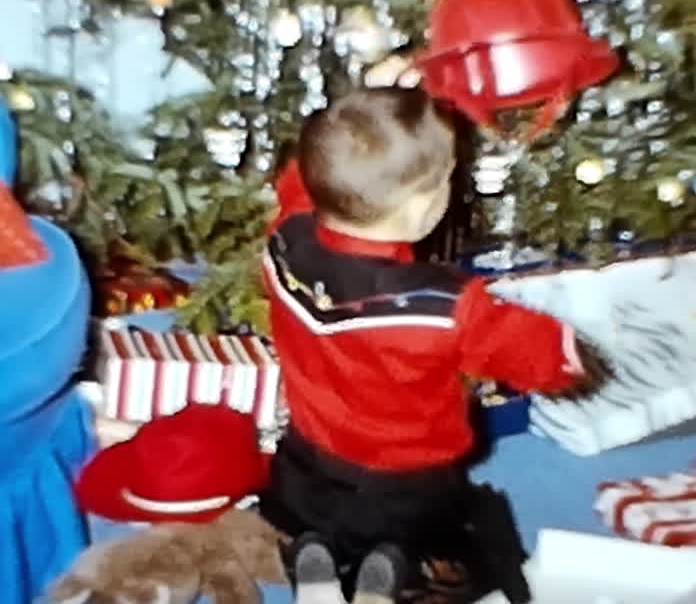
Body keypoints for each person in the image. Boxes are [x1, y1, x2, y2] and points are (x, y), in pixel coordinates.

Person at [258, 87, 610, 604]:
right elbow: (521, 345)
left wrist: (367, 106)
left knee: (309, 507)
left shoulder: (285, 240)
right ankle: (390, 568)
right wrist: (569, 358)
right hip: (406, 479)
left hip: (307, 461)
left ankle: (317, 554)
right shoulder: (444, 304)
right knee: (468, 549)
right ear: (422, 208)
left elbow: (298, 184)